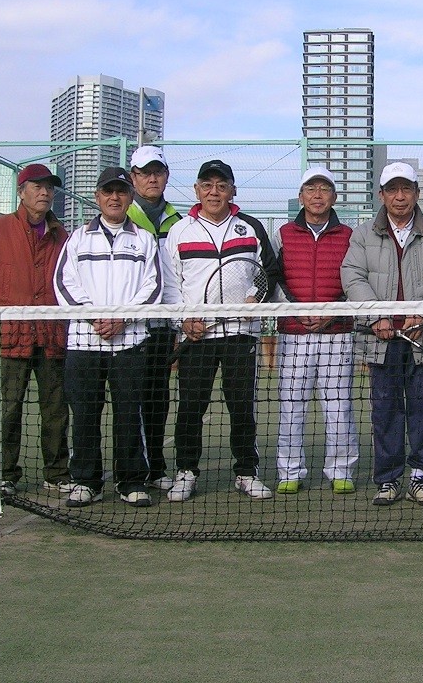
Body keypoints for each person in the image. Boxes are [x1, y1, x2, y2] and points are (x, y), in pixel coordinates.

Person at [341, 161, 423, 506]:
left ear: (416, 193)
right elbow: (352, 275)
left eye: (406, 188)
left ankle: (421, 478)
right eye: (392, 189)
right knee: (385, 412)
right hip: (381, 341)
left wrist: (421, 315)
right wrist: (376, 316)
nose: (399, 196)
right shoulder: (362, 234)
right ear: (381, 195)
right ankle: (389, 479)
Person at [164, 159, 281, 501]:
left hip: (241, 336)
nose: (214, 192)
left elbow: (269, 273)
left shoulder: (250, 227)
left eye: (221, 185)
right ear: (197, 190)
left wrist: (255, 297)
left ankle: (246, 472)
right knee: (190, 407)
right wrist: (183, 321)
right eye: (207, 185)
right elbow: (171, 285)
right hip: (196, 337)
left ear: (232, 190)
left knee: (242, 407)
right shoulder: (179, 231)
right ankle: (186, 472)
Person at [54, 167, 161, 508]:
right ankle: (86, 482)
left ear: (130, 197)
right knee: (84, 415)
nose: (115, 198)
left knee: (129, 415)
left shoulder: (144, 240)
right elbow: (64, 283)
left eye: (121, 192)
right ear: (98, 197)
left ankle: (131, 481)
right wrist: (95, 317)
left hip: (131, 343)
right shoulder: (78, 238)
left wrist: (122, 318)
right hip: (83, 343)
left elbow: (154, 287)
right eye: (108, 192)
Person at [0, 163, 71, 497]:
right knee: (9, 409)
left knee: (56, 410)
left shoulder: (62, 235)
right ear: (21, 191)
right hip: (11, 337)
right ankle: (7, 473)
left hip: (52, 336)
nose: (45, 193)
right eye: (37, 187)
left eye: (49, 188)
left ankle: (57, 473)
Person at [272, 166, 358, 495]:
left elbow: (356, 279)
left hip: (338, 334)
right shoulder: (282, 234)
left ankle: (341, 471)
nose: (317, 195)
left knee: (338, 406)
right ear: (301, 196)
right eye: (311, 189)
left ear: (334, 197)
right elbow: (274, 277)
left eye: (324, 189)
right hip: (293, 333)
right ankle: (289, 471)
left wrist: (332, 312)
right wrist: (297, 310)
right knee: (291, 406)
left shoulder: (350, 235)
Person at [126, 145, 183, 492]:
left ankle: (156, 467)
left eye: (157, 172)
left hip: (163, 328)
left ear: (166, 176)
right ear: (133, 177)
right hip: (128, 328)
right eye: (144, 172)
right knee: (128, 401)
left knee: (158, 399)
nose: (152, 178)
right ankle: (131, 468)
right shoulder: (121, 214)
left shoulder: (179, 221)